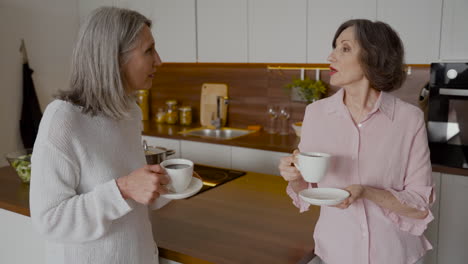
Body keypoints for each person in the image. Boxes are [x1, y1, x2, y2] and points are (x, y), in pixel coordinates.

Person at [279, 19, 434, 264]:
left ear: (373, 57)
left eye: (345, 48)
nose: (331, 56)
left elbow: (420, 206)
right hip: (337, 252)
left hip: (395, 255)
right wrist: (295, 177)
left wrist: (367, 192)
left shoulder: (408, 119)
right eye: (335, 47)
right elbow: (310, 191)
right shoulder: (316, 114)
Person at [30, 7, 171, 264]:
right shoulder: (62, 119)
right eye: (148, 50)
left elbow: (129, 197)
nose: (159, 60)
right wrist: (124, 188)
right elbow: (49, 220)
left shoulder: (127, 112)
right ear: (115, 58)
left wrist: (162, 184)